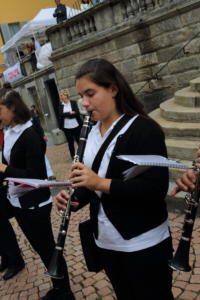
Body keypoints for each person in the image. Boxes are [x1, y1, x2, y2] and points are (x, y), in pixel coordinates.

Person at [55, 58, 174, 300]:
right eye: (81, 96)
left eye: (90, 94)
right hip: (107, 241)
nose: (85, 104)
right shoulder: (89, 131)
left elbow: (154, 189)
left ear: (113, 89)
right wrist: (76, 197)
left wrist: (98, 182)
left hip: (143, 242)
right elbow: (91, 183)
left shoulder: (143, 129)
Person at [0, 89, 74, 300]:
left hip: (34, 205)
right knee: (41, 249)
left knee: (48, 249)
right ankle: (58, 287)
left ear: (13, 108)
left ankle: (65, 291)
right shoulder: (9, 132)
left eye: (0, 109)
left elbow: (35, 176)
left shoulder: (29, 134)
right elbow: (11, 163)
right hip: (18, 202)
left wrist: (4, 170)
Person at [59, 88, 82, 160]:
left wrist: (67, 115)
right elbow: (61, 114)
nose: (61, 96)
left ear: (66, 95)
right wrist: (70, 113)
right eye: (60, 95)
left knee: (79, 141)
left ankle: (82, 154)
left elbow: (77, 112)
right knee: (70, 143)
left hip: (75, 125)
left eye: (62, 95)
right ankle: (73, 156)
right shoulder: (61, 105)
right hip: (66, 127)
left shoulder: (73, 102)